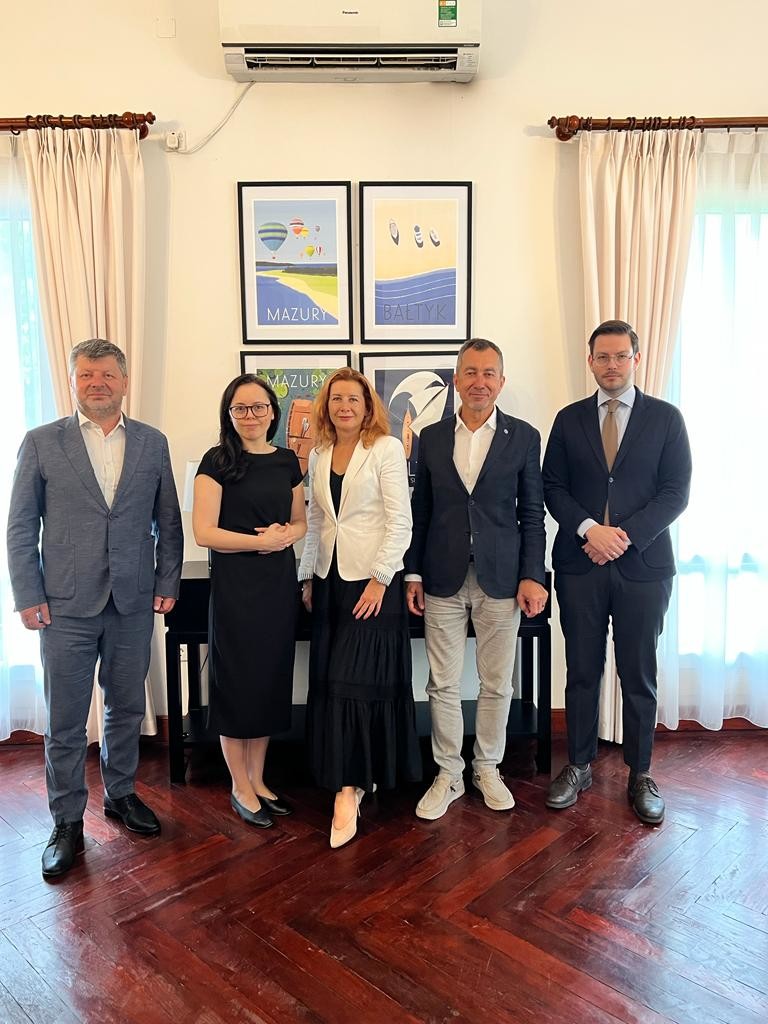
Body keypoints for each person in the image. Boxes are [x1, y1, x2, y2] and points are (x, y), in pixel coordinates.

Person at [7, 339, 183, 879]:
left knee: (126, 706)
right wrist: (29, 595)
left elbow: (168, 521)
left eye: (107, 374)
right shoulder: (41, 442)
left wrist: (167, 580)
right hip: (64, 605)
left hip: (132, 601)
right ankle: (66, 822)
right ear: (73, 382)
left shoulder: (152, 443)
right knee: (65, 719)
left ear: (124, 381)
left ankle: (121, 794)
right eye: (86, 375)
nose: (97, 383)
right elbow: (20, 526)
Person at [542, 319, 692, 825]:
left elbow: (676, 492)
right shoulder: (568, 420)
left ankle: (641, 772)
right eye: (602, 356)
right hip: (580, 565)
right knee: (582, 670)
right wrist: (590, 530)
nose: (611, 365)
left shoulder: (666, 419)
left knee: (638, 673)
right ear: (590, 361)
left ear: (636, 359)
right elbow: (553, 486)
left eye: (620, 355)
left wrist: (621, 537)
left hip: (644, 568)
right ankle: (578, 765)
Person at [405, 339, 548, 821]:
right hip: (441, 576)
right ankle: (448, 773)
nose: (479, 381)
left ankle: (487, 767)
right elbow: (421, 511)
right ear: (456, 378)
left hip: (502, 578)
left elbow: (532, 513)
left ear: (501, 382)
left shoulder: (524, 437)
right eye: (470, 372)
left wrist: (532, 575)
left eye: (489, 373)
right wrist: (413, 571)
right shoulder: (431, 436)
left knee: (497, 683)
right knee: (442, 683)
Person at [299, 367, 421, 849]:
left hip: (373, 583)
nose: (344, 406)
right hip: (330, 581)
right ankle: (352, 776)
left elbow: (401, 521)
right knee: (332, 683)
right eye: (336, 399)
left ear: (368, 405)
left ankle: (349, 788)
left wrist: (381, 578)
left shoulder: (386, 448)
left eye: (353, 398)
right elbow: (315, 518)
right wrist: (308, 574)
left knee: (355, 684)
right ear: (326, 407)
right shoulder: (319, 453)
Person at [193, 374, 306, 829]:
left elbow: (301, 522)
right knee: (237, 683)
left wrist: (284, 535)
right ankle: (239, 785)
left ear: (273, 412)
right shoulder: (216, 460)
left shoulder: (287, 460)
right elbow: (204, 532)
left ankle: (258, 779)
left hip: (278, 584)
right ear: (229, 414)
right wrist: (258, 542)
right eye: (240, 408)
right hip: (236, 585)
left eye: (259, 406)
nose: (251, 415)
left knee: (268, 681)